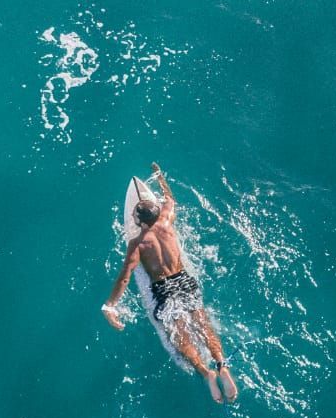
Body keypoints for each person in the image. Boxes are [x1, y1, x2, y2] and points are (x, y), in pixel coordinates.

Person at [102, 163, 239, 403]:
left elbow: (125, 276)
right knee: (201, 320)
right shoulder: (166, 219)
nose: (133, 217)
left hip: (164, 289)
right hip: (184, 280)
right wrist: (160, 176)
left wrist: (110, 305)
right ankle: (221, 365)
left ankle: (206, 372)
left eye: (135, 216)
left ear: (143, 223)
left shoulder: (138, 243)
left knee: (179, 335)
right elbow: (170, 199)